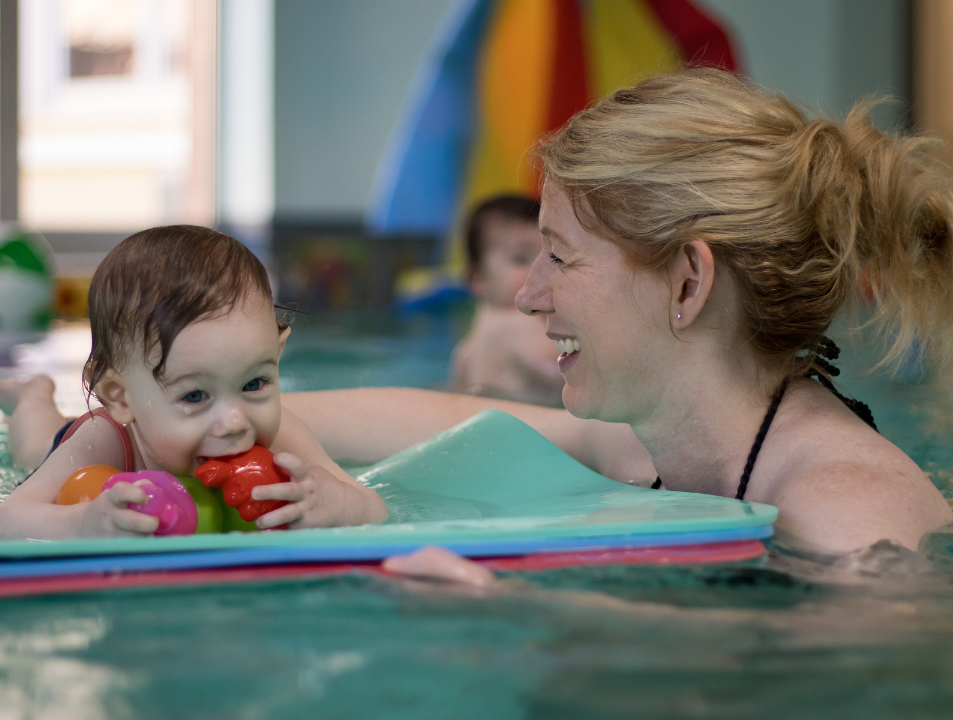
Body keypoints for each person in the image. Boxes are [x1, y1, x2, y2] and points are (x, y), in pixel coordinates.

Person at [285, 69, 953, 560]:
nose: (527, 295)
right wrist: (248, 415)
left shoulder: (850, 521)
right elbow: (468, 425)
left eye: (560, 257)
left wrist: (506, 611)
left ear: (687, 284)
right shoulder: (659, 444)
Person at [0, 225, 388, 539]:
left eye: (254, 384)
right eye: (195, 395)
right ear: (119, 395)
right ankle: (32, 396)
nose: (235, 422)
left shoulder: (281, 439)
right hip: (66, 442)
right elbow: (7, 520)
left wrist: (336, 505)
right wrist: (85, 522)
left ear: (277, 355)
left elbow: (375, 506)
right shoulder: (103, 441)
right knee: (33, 440)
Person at [451, 195, 564, 406]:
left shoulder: (465, 350)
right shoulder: (518, 324)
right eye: (520, 259)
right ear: (477, 278)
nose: (538, 271)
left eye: (551, 259)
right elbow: (561, 374)